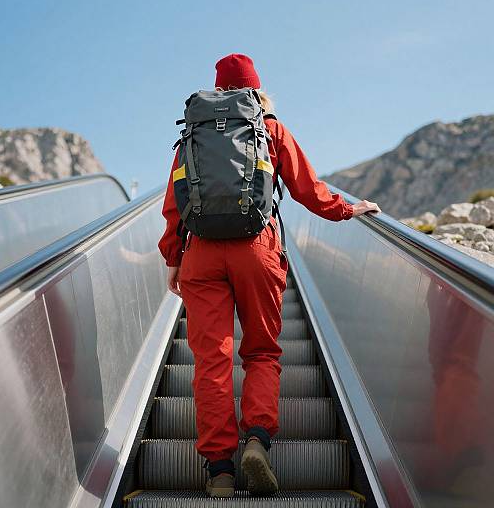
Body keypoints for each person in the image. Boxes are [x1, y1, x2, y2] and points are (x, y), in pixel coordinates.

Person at [158, 53, 381, 498]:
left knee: (212, 360)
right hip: (258, 248)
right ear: (258, 89)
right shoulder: (269, 129)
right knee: (260, 351)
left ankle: (219, 468)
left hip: (201, 253)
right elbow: (308, 190)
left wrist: (174, 258)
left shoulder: (192, 136)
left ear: (217, 90)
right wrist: (347, 209)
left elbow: (174, 205)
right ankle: (257, 440)